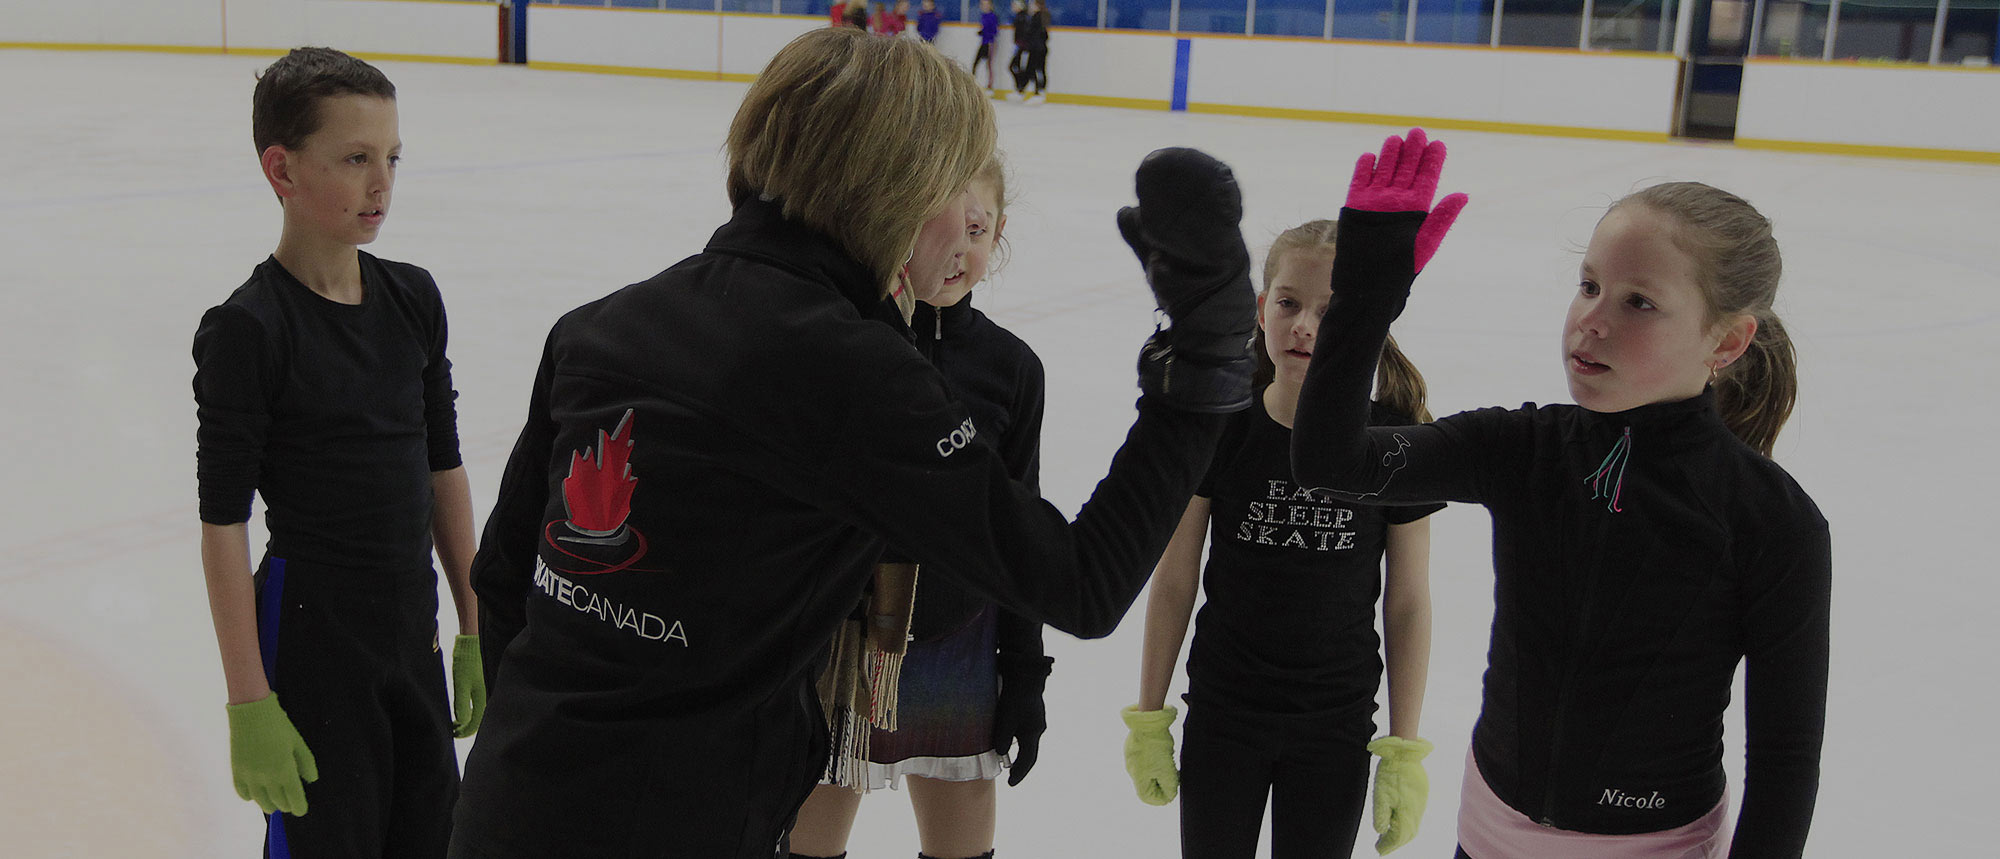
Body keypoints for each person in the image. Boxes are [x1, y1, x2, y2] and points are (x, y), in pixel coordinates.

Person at [448, 27, 1258, 859]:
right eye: (951, 187)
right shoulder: (852, 371)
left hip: (511, 802)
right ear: (896, 186)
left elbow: (510, 577)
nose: (964, 223)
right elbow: (1082, 582)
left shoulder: (605, 323)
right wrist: (1204, 367)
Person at [1290, 129, 1830, 858]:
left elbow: (1785, 760)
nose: (1593, 319)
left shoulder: (1772, 519)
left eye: (1640, 302)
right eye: (1588, 285)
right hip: (1490, 831)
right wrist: (1363, 305)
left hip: (1657, 845)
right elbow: (1332, 461)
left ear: (1727, 342)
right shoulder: (1522, 449)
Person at [192, 46, 484, 859]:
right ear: (281, 170)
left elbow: (442, 465)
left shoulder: (413, 298)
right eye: (355, 159)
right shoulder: (249, 331)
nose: (381, 184)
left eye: (391, 158)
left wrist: (473, 622)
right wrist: (248, 698)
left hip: (411, 631)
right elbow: (224, 525)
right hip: (310, 640)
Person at [1121, 219, 1443, 858]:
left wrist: (1404, 747)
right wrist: (1150, 715)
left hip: (1337, 724)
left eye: (1330, 311)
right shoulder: (1223, 425)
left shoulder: (1393, 436)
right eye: (1289, 304)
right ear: (1262, 309)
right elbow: (1176, 577)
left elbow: (1407, 601)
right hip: (1224, 716)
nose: (1304, 326)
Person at [789, 156, 1047, 859]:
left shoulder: (1013, 369)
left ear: (998, 236)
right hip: (839, 644)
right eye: (940, 224)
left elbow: (1017, 533)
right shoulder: (848, 342)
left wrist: (1025, 673)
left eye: (978, 227)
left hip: (959, 641)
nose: (960, 248)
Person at [1010, 0, 1050, 102]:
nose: (1030, 7)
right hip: (1037, 48)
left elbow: (1037, 34)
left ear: (1037, 6)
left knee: (1035, 69)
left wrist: (1029, 43)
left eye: (1032, 5)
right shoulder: (1037, 17)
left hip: (1036, 49)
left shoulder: (1037, 18)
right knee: (1032, 70)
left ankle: (1037, 91)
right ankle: (1027, 90)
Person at [971, 0, 1000, 90]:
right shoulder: (983, 16)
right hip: (984, 42)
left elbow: (994, 31)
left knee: (989, 65)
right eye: (982, 4)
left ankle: (990, 85)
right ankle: (973, 83)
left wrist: (985, 33)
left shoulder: (993, 16)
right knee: (976, 63)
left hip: (990, 43)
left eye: (986, 4)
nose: (984, 6)